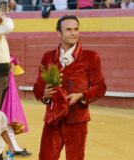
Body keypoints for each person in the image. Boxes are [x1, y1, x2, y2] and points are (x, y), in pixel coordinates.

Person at [33, 15, 107, 160]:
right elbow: (37, 88)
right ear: (59, 33)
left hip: (77, 119)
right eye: (68, 30)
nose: (74, 33)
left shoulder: (91, 57)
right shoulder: (48, 57)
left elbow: (100, 87)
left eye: (76, 29)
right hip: (52, 119)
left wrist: (81, 96)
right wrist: (44, 93)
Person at [0, 3, 31, 156]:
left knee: (1, 114)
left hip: (3, 76)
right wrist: (6, 18)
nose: (1, 15)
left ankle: (11, 146)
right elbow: (9, 26)